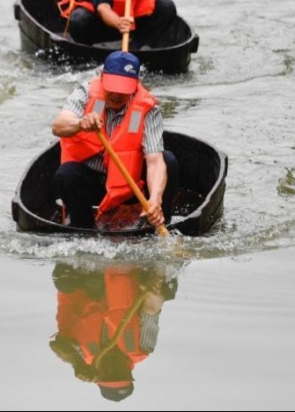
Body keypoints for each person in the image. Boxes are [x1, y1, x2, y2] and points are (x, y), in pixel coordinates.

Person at [51, 51, 178, 230]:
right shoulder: (85, 92)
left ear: (136, 85)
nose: (116, 95)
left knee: (168, 160)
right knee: (65, 174)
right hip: (93, 183)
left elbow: (155, 162)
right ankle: (84, 229)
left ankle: (156, 220)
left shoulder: (148, 108)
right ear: (102, 77)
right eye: (113, 87)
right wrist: (80, 123)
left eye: (123, 89)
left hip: (131, 184)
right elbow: (58, 126)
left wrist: (155, 199)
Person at [49, 261, 179, 402]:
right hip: (126, 273)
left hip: (85, 280)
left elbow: (56, 345)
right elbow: (152, 310)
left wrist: (77, 364)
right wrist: (154, 291)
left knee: (64, 280)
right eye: (119, 374)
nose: (113, 369)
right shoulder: (143, 348)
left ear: (98, 375)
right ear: (129, 373)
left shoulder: (80, 357)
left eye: (109, 376)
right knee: (168, 290)